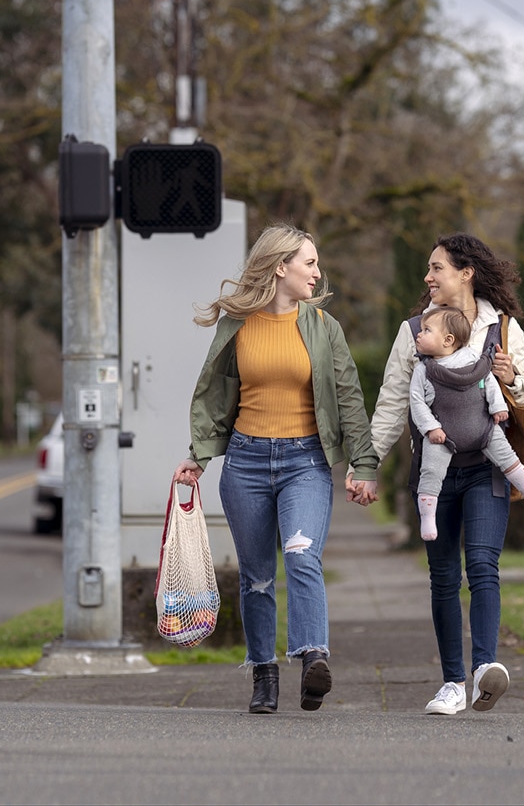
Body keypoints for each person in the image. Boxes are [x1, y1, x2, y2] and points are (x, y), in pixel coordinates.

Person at [173, 224, 379, 715]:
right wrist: (198, 455)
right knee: (257, 577)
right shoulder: (237, 323)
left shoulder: (323, 327)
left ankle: (313, 659)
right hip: (244, 462)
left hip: (304, 461)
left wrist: (364, 463)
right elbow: (215, 394)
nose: (317, 271)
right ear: (280, 265)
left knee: (302, 555)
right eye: (309, 262)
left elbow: (348, 396)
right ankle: (264, 675)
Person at [369, 233, 524, 715]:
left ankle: (484, 668)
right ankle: (451, 684)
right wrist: (368, 465)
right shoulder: (414, 331)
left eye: (436, 268)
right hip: (434, 475)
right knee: (444, 577)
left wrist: (511, 379)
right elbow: (392, 401)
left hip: (487, 469)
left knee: (483, 566)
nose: (428, 277)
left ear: (465, 273)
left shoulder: (504, 330)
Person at [409, 306, 524, 541]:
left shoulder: (474, 358)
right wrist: (431, 428)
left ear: (448, 339)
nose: (419, 335)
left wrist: (498, 407)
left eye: (426, 330)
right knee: (430, 472)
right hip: (443, 437)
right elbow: (416, 402)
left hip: (483, 429)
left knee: (508, 457)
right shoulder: (423, 370)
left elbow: (489, 383)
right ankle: (428, 519)